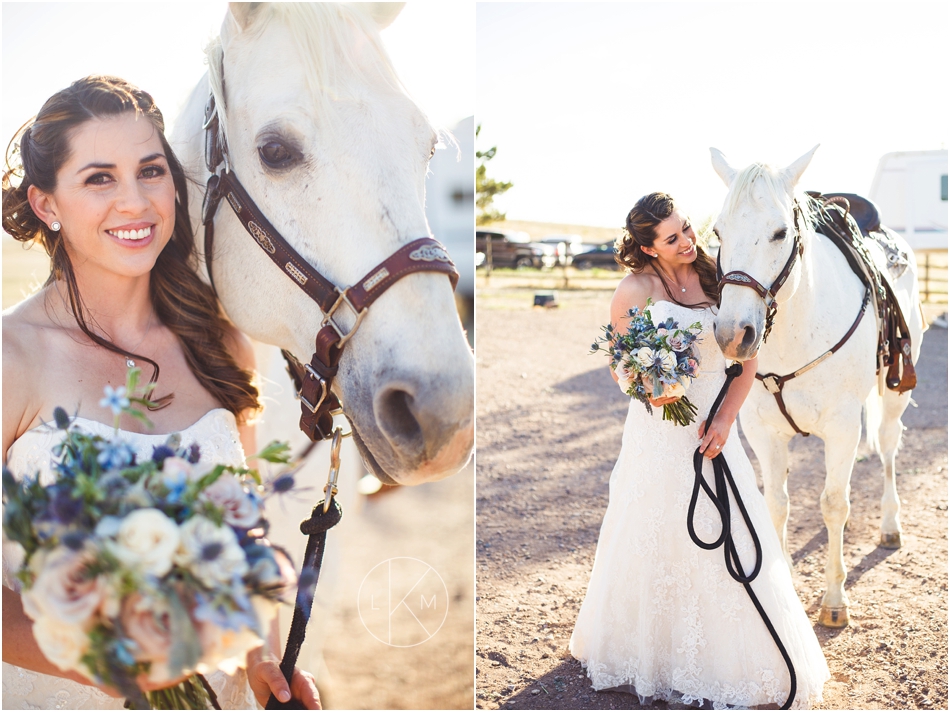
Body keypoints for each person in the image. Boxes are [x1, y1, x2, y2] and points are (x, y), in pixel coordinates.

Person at [1, 76, 320, 710]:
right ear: (46, 205)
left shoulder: (220, 343)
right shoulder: (12, 357)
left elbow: (244, 529)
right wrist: (103, 663)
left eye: (150, 171)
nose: (135, 202)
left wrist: (260, 657)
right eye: (99, 178)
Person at [569, 192, 830, 708]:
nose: (687, 241)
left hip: (716, 424)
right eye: (672, 238)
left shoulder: (716, 276)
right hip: (660, 432)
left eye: (687, 228)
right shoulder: (633, 291)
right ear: (648, 248)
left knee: (728, 530)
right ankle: (653, 652)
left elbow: (745, 359)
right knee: (656, 531)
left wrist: (726, 418)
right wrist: (654, 389)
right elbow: (625, 370)